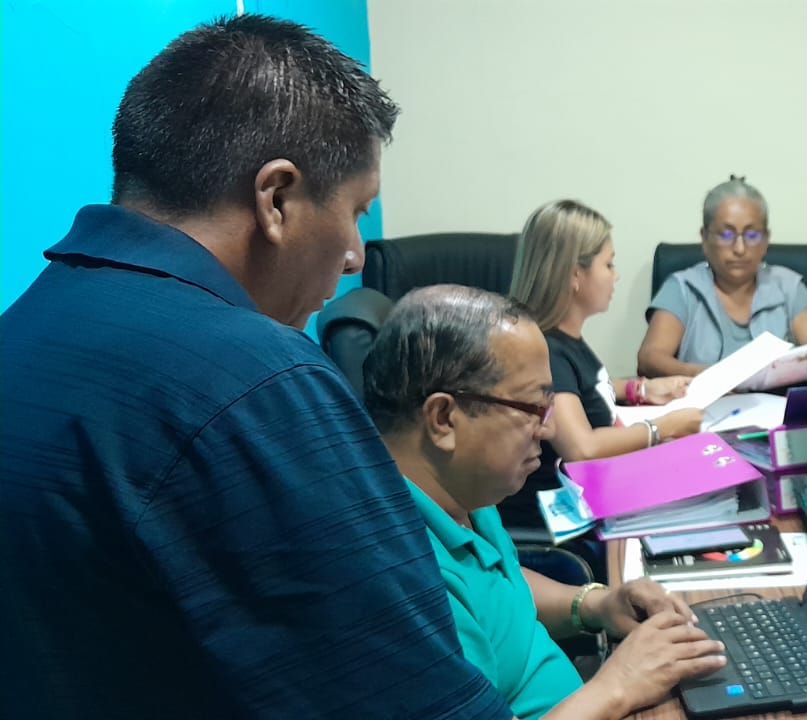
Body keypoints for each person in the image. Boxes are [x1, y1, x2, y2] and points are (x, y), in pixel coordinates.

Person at [0, 16, 510, 718]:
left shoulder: (22, 330)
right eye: (357, 211)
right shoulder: (261, 382)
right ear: (277, 199)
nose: (356, 255)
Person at [363, 285, 727, 720]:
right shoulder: (405, 579)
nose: (549, 428)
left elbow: (501, 592)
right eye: (532, 407)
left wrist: (595, 605)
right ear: (443, 418)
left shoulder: (463, 495)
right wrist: (617, 686)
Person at [502, 199, 701, 527]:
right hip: (566, 524)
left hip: (598, 495)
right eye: (608, 264)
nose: (616, 275)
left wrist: (640, 389)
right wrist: (663, 427)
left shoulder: (564, 340)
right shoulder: (547, 351)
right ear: (575, 274)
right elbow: (582, 448)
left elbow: (581, 387)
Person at [637, 175, 807, 377]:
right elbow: (649, 359)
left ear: (766, 239)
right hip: (703, 405)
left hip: (778, 405)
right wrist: (714, 377)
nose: (740, 248)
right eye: (726, 234)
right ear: (704, 238)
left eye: (752, 235)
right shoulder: (682, 288)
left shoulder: (788, 286)